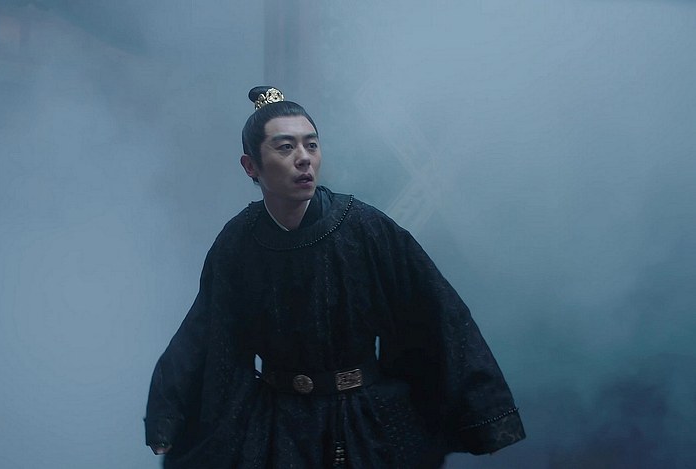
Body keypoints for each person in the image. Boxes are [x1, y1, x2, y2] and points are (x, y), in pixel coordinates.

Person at [144, 86, 525, 468]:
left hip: (364, 421)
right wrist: (169, 414)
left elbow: (437, 311)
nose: (303, 158)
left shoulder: (364, 228)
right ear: (251, 166)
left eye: (311, 145)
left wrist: (483, 412)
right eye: (285, 147)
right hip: (279, 424)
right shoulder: (239, 241)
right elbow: (208, 331)